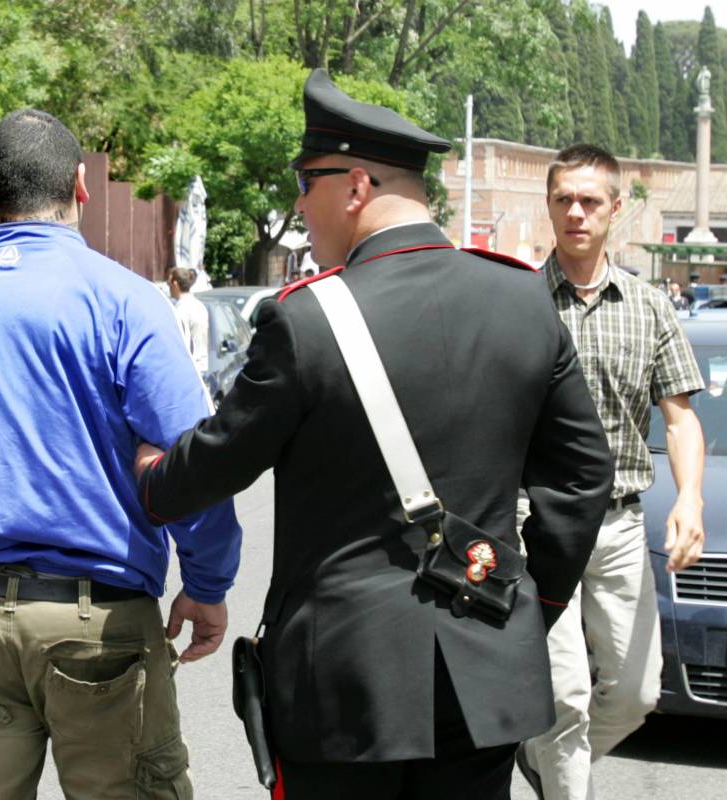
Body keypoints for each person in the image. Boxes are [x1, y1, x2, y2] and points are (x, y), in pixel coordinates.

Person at [134, 71, 613, 799]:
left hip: (343, 685)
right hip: (483, 668)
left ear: (355, 186)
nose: (299, 203)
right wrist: (524, 604)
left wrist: (152, 474)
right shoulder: (523, 299)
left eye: (306, 181)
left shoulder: (306, 319)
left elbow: (220, 459)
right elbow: (581, 479)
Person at [0, 108, 242, 799]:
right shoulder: (125, 301)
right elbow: (187, 462)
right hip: (99, 618)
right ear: (81, 186)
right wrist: (206, 585)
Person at [517, 144, 706, 800]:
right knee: (565, 696)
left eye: (590, 201)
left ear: (615, 210)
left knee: (637, 694)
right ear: (549, 205)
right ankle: (560, 767)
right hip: (537, 525)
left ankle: (544, 759)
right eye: (564, 199)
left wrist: (690, 500)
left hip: (622, 527)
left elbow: (679, 419)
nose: (575, 212)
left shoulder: (650, 306)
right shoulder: (517, 303)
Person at [168, 266, 209, 372]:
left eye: (169, 284)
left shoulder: (180, 311)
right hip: (204, 365)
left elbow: (179, 344)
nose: (169, 288)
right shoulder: (200, 305)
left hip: (191, 369)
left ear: (175, 284)